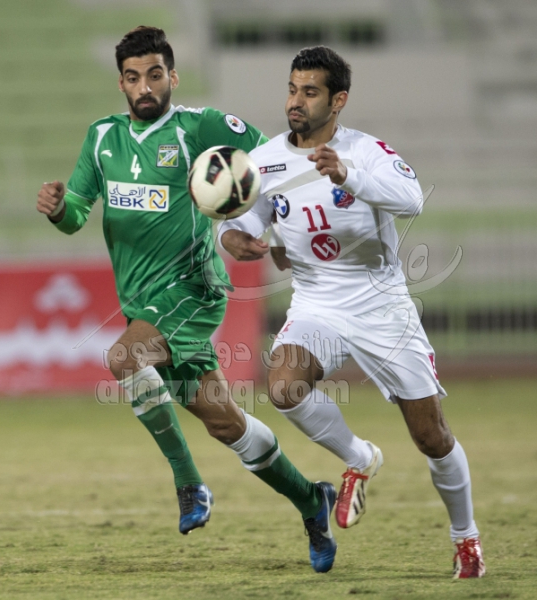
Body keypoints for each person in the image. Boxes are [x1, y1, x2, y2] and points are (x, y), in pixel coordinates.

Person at [36, 27, 338, 574]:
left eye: (155, 75)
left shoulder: (198, 127)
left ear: (171, 76)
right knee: (227, 425)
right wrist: (59, 209)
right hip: (143, 303)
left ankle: (188, 483)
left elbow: (271, 157)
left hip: (193, 291)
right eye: (133, 77)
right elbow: (77, 213)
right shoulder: (102, 138)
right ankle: (311, 501)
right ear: (121, 84)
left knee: (124, 358)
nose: (145, 86)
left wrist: (276, 227)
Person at [219, 45, 486, 579]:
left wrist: (348, 176)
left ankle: (466, 537)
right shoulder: (265, 159)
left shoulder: (366, 151)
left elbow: (412, 199)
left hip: (380, 303)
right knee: (284, 387)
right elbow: (242, 221)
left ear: (337, 100)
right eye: (292, 89)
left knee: (431, 435)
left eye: (309, 92)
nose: (295, 101)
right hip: (316, 301)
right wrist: (235, 239)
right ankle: (359, 458)